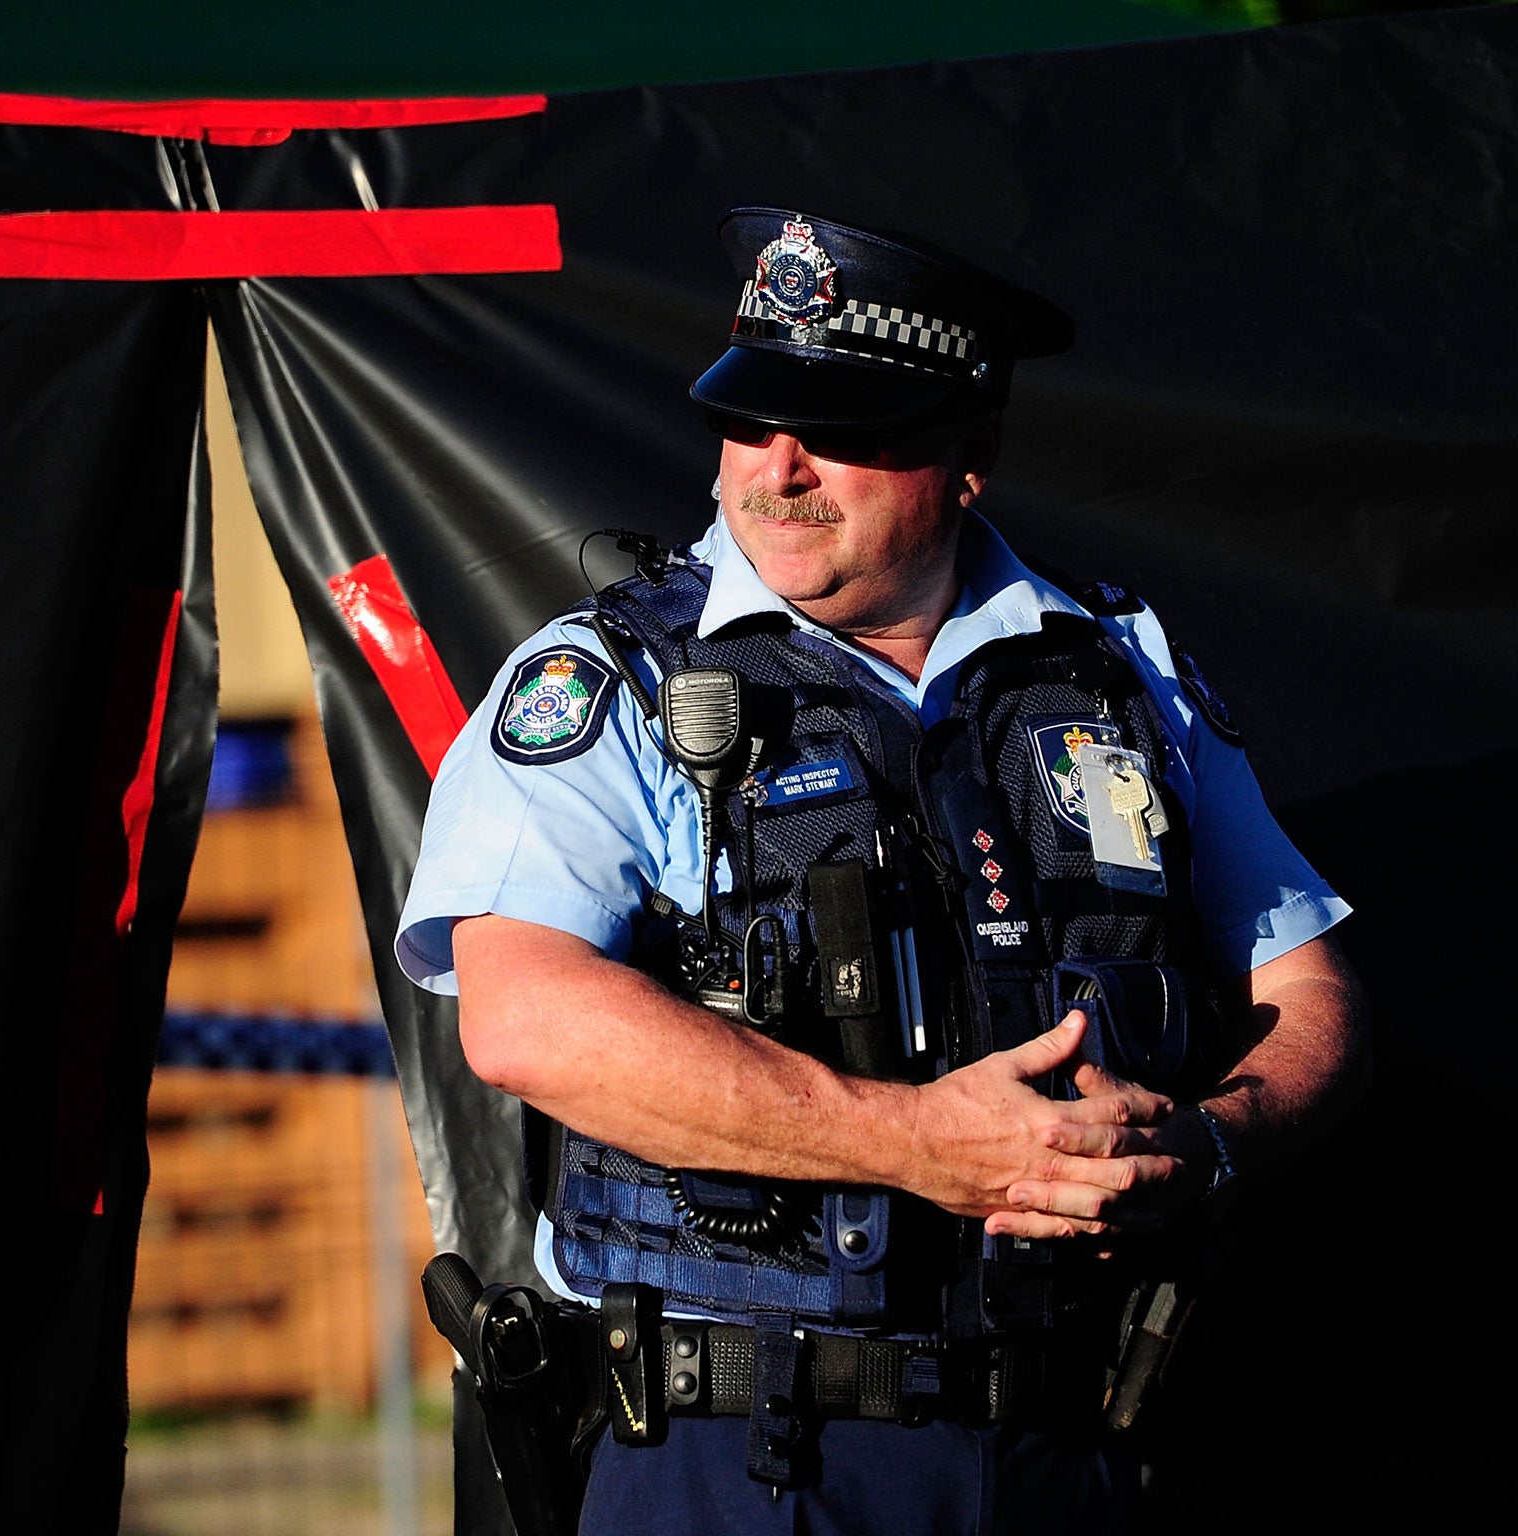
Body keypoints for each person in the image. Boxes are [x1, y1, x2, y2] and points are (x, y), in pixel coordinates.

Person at [396, 208, 1367, 1535]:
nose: (778, 469)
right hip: (748, 1463)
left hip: (1082, 1453)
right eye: (750, 419)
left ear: (973, 450)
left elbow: (1303, 988)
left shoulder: (1117, 669)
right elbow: (523, 1018)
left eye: (840, 429)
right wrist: (915, 1145)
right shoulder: (614, 679)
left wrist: (1205, 1146)